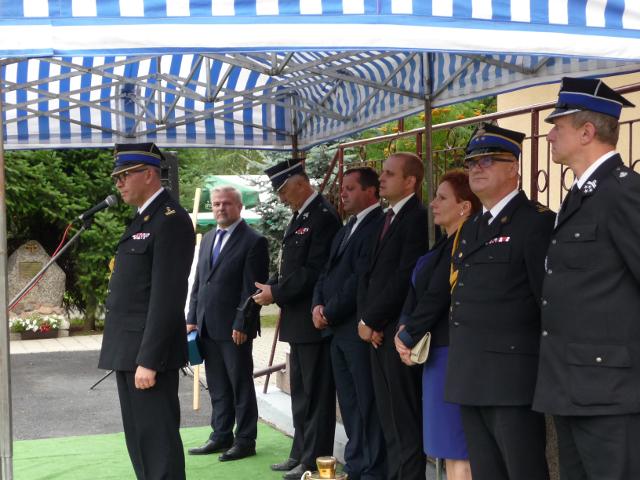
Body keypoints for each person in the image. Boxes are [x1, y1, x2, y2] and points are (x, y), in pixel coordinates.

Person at [532, 77, 640, 480]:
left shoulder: (623, 192)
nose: (549, 135)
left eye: (557, 126)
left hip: (611, 392)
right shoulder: (580, 194)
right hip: (570, 386)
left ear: (587, 132)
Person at [445, 124, 555, 480]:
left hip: (512, 379)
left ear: (513, 168)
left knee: (523, 471)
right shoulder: (472, 227)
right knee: (486, 472)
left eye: (488, 160)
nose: (476, 168)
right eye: (472, 162)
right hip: (470, 373)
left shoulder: (535, 222)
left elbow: (547, 301)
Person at [98, 142, 195, 480]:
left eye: (125, 175)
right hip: (129, 350)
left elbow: (168, 297)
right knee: (141, 443)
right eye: (117, 177)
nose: (119, 183)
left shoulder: (170, 220)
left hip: (148, 355)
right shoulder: (145, 218)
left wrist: (149, 360)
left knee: (158, 445)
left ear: (150, 174)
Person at [253, 159, 342, 480]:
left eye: (283, 190)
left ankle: (315, 459)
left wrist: (276, 292)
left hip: (312, 319)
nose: (281, 198)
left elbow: (313, 270)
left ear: (300, 183)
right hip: (297, 320)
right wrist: (271, 286)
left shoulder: (323, 216)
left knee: (316, 395)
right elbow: (289, 265)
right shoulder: (302, 214)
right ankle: (300, 452)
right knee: (302, 394)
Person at [395, 170, 480, 480]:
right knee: (446, 445)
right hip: (436, 355)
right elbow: (416, 291)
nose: (433, 204)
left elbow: (437, 294)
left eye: (442, 198)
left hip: (450, 353)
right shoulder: (443, 244)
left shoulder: (465, 243)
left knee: (457, 446)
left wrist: (408, 335)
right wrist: (404, 326)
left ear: (465, 207)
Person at [357, 152, 429, 480]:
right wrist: (366, 322)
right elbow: (368, 274)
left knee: (404, 418)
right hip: (376, 333)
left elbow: (404, 278)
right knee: (388, 416)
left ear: (410, 181)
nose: (381, 178)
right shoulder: (387, 217)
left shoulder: (418, 218)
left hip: (395, 333)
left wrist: (371, 320)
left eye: (389, 173)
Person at [312, 167, 386, 480]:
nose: (342, 193)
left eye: (350, 188)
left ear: (371, 191)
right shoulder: (346, 228)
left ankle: (373, 467)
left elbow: (360, 278)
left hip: (356, 329)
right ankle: (355, 464)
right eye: (342, 188)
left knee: (366, 402)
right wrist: (317, 305)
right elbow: (326, 271)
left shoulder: (379, 224)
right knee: (350, 402)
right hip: (336, 331)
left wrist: (329, 311)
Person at [186, 186, 269, 461]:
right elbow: (200, 282)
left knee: (240, 385)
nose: (220, 208)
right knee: (218, 385)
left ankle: (245, 440)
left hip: (235, 329)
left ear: (239, 207)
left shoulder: (254, 241)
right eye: (216, 204)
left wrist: (243, 323)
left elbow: (252, 290)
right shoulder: (208, 238)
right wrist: (191, 318)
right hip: (207, 325)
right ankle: (221, 435)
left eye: (226, 203)